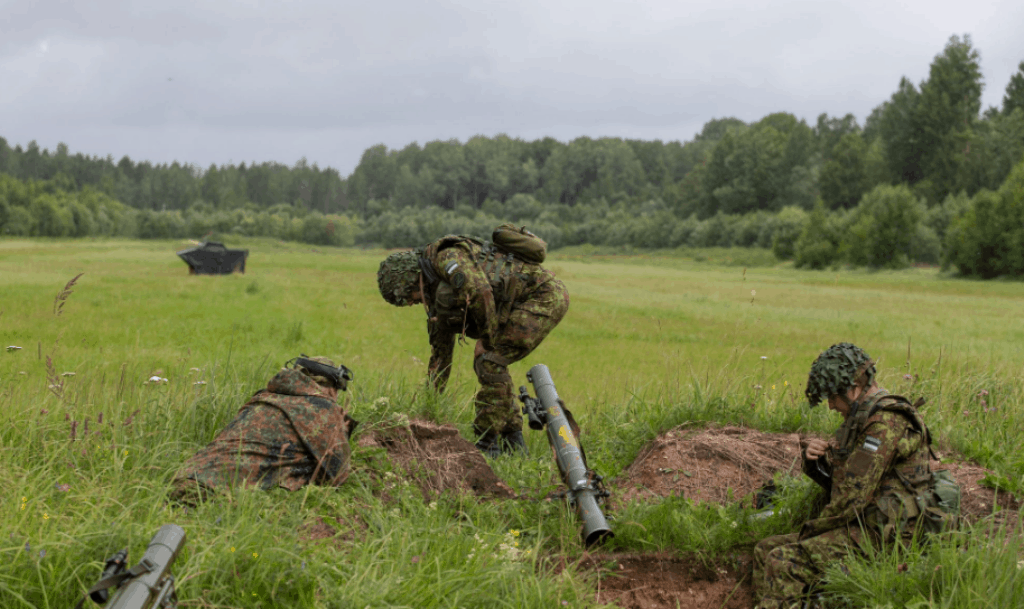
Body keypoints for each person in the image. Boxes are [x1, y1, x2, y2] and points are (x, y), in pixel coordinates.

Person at [753, 342, 950, 609]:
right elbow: (844, 483)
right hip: (867, 525)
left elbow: (851, 498)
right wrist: (815, 461)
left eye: (833, 397)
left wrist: (811, 531)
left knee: (782, 560)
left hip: (889, 537)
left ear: (854, 388)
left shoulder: (884, 424)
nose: (832, 406)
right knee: (764, 550)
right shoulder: (863, 419)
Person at [377, 229, 569, 457]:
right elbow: (440, 356)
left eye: (408, 297)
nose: (410, 303)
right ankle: (513, 442)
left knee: (489, 359)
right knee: (491, 362)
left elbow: (481, 292)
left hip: (544, 296)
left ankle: (487, 443)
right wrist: (429, 406)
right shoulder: (436, 295)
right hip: (527, 300)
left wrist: (487, 339)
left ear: (411, 280)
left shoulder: (447, 257)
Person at [169, 355, 356, 505]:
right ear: (331, 389)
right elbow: (338, 475)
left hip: (183, 478)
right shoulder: (323, 408)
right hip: (218, 495)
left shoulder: (263, 397)